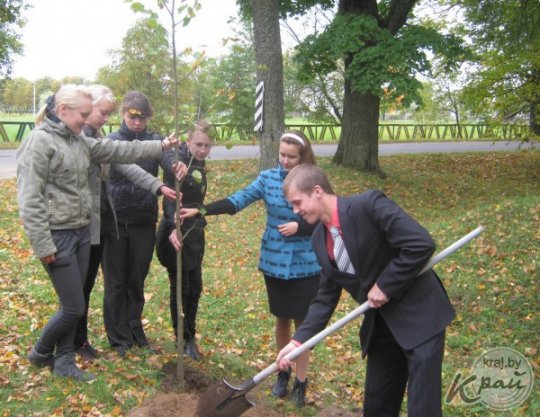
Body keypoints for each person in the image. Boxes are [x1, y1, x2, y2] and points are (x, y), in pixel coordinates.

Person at [17, 84, 178, 381]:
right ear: (63, 110)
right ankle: (41, 352)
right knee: (74, 305)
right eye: (85, 114)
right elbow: (29, 198)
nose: (90, 119)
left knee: (75, 303)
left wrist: (161, 146)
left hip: (82, 231)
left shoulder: (79, 140)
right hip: (59, 235)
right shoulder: (41, 142)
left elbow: (121, 151)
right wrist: (43, 243)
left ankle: (65, 360)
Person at [276, 164, 455, 417]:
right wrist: (298, 341)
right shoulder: (318, 239)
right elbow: (325, 297)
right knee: (377, 407)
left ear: (317, 191)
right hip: (381, 326)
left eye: (297, 202)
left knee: (422, 408)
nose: (295, 211)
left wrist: (385, 284)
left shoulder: (368, 205)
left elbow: (420, 243)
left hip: (420, 316)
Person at [180, 131, 321, 407]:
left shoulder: (314, 181)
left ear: (303, 156)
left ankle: (301, 383)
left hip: (307, 262)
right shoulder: (268, 178)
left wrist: (301, 226)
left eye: (291, 156)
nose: (285, 160)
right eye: (282, 154)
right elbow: (239, 200)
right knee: (282, 318)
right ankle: (282, 373)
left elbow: (326, 217)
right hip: (275, 261)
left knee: (304, 324)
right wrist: (202, 210)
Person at [74, 85, 179, 361]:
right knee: (115, 281)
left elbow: (166, 159)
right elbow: (123, 162)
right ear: (123, 114)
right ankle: (117, 336)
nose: (136, 122)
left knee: (136, 280)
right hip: (115, 221)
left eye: (141, 117)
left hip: (144, 219)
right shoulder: (109, 140)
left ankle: (135, 331)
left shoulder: (155, 139)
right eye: (131, 116)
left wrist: (175, 166)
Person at [156, 120, 213, 361]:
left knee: (195, 288)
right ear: (188, 142)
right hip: (176, 231)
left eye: (207, 145)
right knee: (181, 288)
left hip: (195, 232)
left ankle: (190, 335)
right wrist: (173, 226)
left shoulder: (199, 161)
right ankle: (183, 338)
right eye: (198, 144)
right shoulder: (180, 159)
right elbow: (170, 196)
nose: (202, 149)